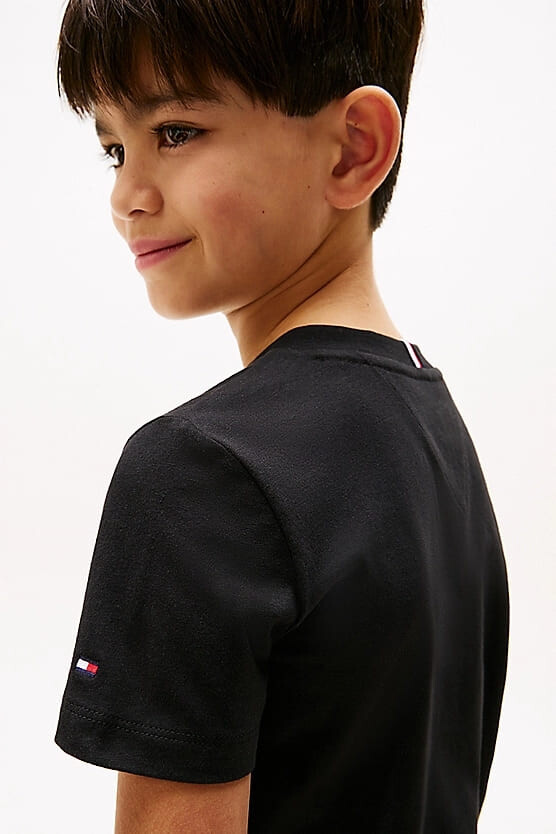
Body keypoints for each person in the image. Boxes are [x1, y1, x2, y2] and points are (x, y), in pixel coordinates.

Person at [53, 2, 510, 832]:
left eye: (177, 132)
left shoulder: (200, 469)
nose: (127, 196)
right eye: (114, 148)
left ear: (354, 149)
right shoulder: (437, 431)